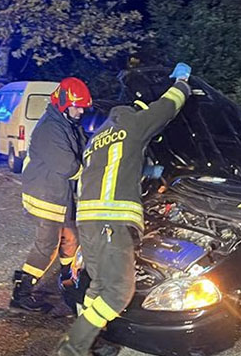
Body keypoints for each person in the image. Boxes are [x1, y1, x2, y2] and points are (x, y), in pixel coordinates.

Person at [55, 63, 192, 356]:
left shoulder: (99, 137)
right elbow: (168, 107)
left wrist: (152, 172)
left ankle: (92, 343)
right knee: (118, 293)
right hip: (111, 222)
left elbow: (114, 170)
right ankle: (72, 349)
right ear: (140, 107)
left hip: (89, 223)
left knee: (98, 287)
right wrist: (183, 82)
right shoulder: (134, 124)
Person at [10, 77, 92, 313]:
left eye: (83, 106)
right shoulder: (50, 129)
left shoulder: (67, 123)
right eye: (76, 106)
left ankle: (68, 282)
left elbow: (84, 147)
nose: (80, 111)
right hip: (46, 196)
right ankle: (21, 293)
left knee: (71, 239)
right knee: (47, 246)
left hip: (59, 195)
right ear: (63, 103)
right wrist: (93, 173)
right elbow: (68, 166)